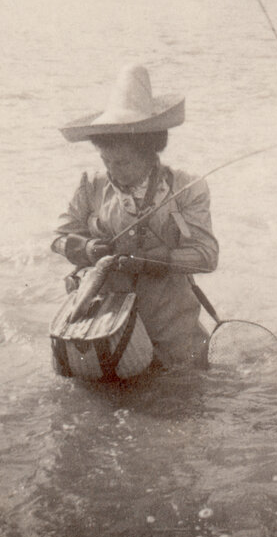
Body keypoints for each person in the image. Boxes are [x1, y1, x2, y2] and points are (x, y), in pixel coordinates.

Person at [52, 64, 218, 372]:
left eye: (124, 162)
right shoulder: (92, 184)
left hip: (172, 332)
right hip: (106, 328)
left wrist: (155, 260)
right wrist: (86, 250)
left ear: (150, 152)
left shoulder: (186, 187)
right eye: (107, 160)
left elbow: (207, 256)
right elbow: (58, 240)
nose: (114, 170)